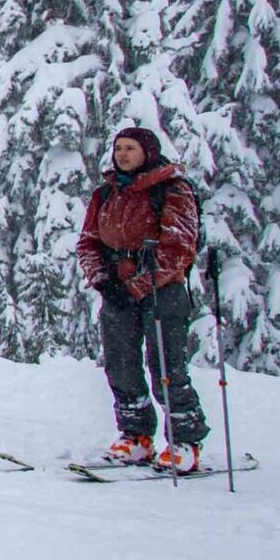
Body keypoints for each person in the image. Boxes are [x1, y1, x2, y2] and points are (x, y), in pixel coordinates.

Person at [76, 125, 209, 473]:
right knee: (120, 364)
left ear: (147, 152)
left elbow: (180, 246)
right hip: (116, 290)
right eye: (119, 148)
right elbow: (88, 241)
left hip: (162, 290)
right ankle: (136, 435)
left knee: (166, 365)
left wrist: (137, 285)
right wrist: (102, 280)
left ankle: (185, 440)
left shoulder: (171, 189)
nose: (122, 154)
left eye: (130, 148)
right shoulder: (106, 194)